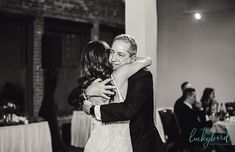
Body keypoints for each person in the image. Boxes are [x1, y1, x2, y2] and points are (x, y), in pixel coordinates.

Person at [68, 34, 165, 152]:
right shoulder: (104, 79)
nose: (113, 59)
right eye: (112, 52)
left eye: (120, 54)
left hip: (141, 144)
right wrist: (87, 92)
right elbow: (72, 96)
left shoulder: (142, 76)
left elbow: (128, 110)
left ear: (132, 58)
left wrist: (92, 109)